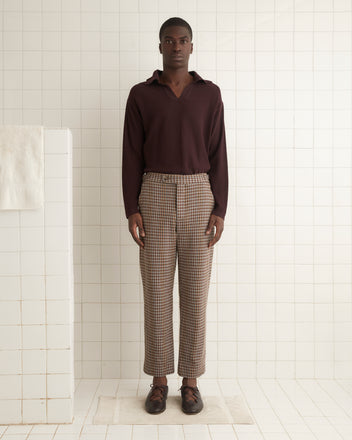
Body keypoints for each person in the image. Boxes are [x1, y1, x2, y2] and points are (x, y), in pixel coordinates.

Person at [122, 17, 228, 415]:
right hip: (155, 195)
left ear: (192, 46)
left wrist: (220, 207)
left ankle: (190, 382)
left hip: (200, 195)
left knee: (195, 294)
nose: (177, 46)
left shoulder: (210, 94)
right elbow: (131, 152)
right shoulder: (141, 95)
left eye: (183, 40)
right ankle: (158, 381)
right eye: (170, 40)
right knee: (156, 293)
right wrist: (132, 206)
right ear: (161, 45)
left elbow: (218, 151)